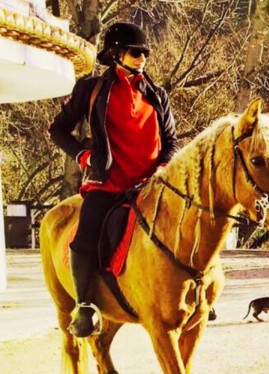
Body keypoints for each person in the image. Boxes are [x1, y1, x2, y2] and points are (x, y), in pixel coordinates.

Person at [49, 21, 179, 337]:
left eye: (145, 52)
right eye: (136, 52)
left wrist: (164, 167)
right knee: (85, 237)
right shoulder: (90, 90)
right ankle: (83, 307)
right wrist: (83, 156)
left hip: (152, 186)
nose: (142, 57)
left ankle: (198, 293)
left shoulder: (158, 95)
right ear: (116, 53)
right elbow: (58, 130)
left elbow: (172, 141)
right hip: (109, 184)